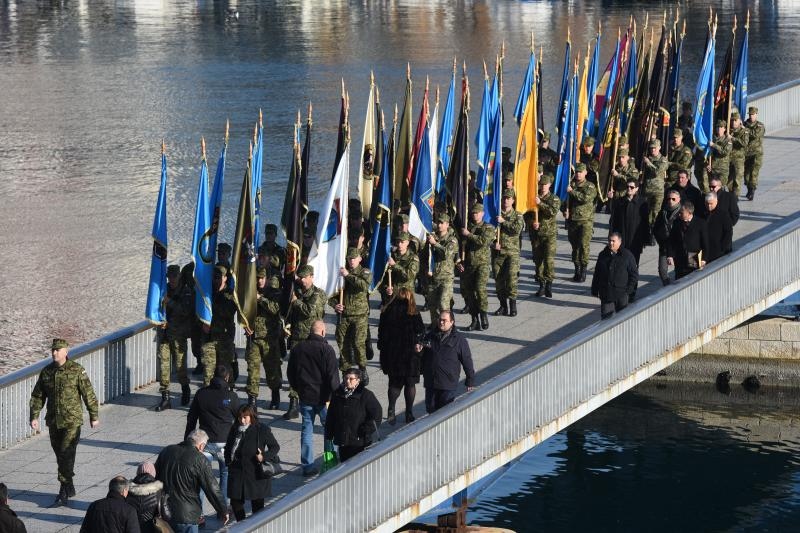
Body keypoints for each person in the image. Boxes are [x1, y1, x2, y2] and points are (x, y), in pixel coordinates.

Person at [30, 338, 99, 506]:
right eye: (53, 350)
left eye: (58, 350)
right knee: (60, 455)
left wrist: (93, 415)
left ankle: (63, 490)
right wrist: (34, 416)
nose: (54, 353)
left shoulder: (77, 370)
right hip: (54, 421)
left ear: (66, 352)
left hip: (72, 421)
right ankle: (69, 484)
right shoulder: (46, 372)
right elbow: (38, 395)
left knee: (66, 453)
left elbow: (88, 393)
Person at [286, 320, 340, 476]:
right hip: (324, 399)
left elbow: (291, 373)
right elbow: (332, 377)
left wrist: (299, 389)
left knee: (306, 430)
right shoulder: (327, 350)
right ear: (323, 332)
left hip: (305, 397)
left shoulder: (298, 349)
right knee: (329, 430)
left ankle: (307, 466)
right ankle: (330, 462)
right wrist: (336, 396)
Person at [185, 364, 239, 505]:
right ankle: (223, 508)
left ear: (213, 376)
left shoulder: (201, 394)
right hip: (225, 443)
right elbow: (240, 418)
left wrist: (187, 440)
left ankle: (199, 512)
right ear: (227, 377)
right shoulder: (231, 396)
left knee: (202, 477)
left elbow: (191, 418)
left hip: (204, 443)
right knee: (225, 474)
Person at [155, 430, 229, 533]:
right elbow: (212, 487)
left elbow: (155, 477)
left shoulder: (167, 451)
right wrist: (223, 510)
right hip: (187, 515)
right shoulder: (200, 459)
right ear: (201, 446)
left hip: (164, 510)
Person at [283, 264, 327, 420]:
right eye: (299, 277)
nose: (301, 280)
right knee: (295, 370)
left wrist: (296, 301)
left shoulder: (318, 294)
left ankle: (322, 400)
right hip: (297, 338)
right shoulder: (296, 291)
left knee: (316, 371)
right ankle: (293, 403)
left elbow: (309, 311)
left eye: (304, 277)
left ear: (311, 277)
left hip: (313, 338)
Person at [378, 286, 426, 424]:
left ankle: (391, 408)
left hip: (393, 354)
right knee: (410, 385)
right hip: (410, 355)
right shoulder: (413, 312)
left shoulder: (386, 311)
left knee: (394, 384)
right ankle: (409, 412)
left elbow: (381, 334)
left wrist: (383, 351)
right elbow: (420, 331)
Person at [224, 405, 280, 522]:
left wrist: (263, 457)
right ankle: (242, 525)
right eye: (240, 417)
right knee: (235, 502)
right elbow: (229, 447)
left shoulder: (261, 429)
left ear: (251, 416)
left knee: (257, 509)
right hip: (237, 473)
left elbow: (275, 447)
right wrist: (228, 462)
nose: (242, 420)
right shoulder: (235, 428)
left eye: (245, 417)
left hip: (255, 474)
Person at [417, 311, 476, 414]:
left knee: (445, 413)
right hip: (431, 382)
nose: (441, 322)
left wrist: (470, 380)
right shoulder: (430, 336)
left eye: (444, 320)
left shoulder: (459, 340)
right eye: (440, 320)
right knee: (430, 410)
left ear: (452, 322)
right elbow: (422, 356)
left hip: (447, 384)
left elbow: (467, 360)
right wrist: (419, 350)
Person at [325, 367, 383, 462]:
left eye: (351, 379)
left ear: (358, 380)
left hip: (360, 442)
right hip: (343, 440)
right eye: (346, 378)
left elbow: (377, 414)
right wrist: (329, 434)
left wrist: (366, 429)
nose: (348, 381)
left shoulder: (366, 395)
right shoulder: (337, 394)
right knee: (344, 466)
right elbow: (331, 416)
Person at [157, 264, 193, 411]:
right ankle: (165, 397)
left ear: (179, 276)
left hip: (179, 335)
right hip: (164, 335)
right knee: (163, 366)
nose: (172, 280)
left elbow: (185, 311)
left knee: (180, 367)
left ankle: (185, 389)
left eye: (174, 277)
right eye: (170, 277)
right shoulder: (162, 290)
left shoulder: (186, 292)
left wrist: (169, 302)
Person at [330, 248, 372, 375]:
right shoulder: (340, 274)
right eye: (349, 258)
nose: (351, 261)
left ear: (360, 258)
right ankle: (346, 370)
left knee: (358, 343)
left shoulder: (364, 271)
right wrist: (335, 305)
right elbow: (331, 294)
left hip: (360, 315)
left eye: (354, 258)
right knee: (343, 343)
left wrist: (348, 275)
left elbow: (363, 286)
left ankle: (362, 369)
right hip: (344, 315)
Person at [246, 269, 283, 411]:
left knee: (272, 368)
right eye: (257, 278)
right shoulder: (249, 291)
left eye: (262, 278)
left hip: (270, 337)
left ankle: (275, 395)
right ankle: (252, 399)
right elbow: (243, 310)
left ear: (267, 278)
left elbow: (275, 309)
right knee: (252, 369)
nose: (259, 281)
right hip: (253, 336)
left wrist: (260, 298)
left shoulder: (274, 292)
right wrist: (245, 325)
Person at [201, 264, 239, 387]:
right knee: (208, 371)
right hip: (209, 338)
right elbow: (199, 311)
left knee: (225, 370)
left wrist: (212, 305)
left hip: (224, 338)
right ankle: (208, 396)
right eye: (214, 277)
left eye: (218, 277)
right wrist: (203, 322)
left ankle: (228, 394)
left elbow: (228, 312)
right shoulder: (207, 293)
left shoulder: (230, 295)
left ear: (225, 278)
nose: (215, 280)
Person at [459, 203, 493, 330]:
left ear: (482, 214)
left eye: (477, 213)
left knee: (480, 288)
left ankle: (483, 315)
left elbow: (483, 242)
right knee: (469, 293)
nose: (475, 215)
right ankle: (474, 319)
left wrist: (468, 235)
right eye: (473, 213)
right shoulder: (467, 227)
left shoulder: (488, 227)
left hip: (482, 264)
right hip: (468, 265)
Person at [591, 232, 639, 320]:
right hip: (606, 295)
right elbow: (597, 273)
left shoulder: (627, 255)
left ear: (620, 242)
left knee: (622, 321)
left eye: (613, 241)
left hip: (621, 295)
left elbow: (634, 275)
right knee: (606, 321)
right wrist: (594, 289)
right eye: (609, 240)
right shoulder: (602, 255)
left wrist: (628, 290)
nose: (611, 243)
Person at [492, 189, 524, 316]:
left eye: (509, 198)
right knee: (498, 280)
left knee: (511, 279)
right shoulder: (495, 215)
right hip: (498, 253)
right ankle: (503, 306)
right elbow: (488, 232)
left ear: (513, 201)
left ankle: (513, 306)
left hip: (512, 253)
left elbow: (516, 230)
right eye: (504, 198)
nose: (506, 200)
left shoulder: (518, 215)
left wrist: (503, 222)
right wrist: (493, 243)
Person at [528, 173, 560, 298]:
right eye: (541, 184)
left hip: (549, 235)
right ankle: (541, 284)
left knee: (549, 260)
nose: (543, 187)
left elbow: (552, 212)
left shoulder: (554, 199)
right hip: (536, 235)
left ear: (550, 185)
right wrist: (532, 223)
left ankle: (549, 285)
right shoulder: (533, 197)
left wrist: (540, 203)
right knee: (538, 261)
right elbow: (527, 215)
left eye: (545, 184)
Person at [426, 212, 459, 324]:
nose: (439, 225)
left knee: (443, 304)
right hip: (433, 277)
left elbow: (447, 254)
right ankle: (435, 327)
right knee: (432, 306)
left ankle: (448, 326)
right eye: (438, 222)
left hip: (446, 278)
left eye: (442, 223)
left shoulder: (452, 240)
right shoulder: (432, 236)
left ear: (447, 225)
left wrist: (435, 243)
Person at [566, 162, 597, 282]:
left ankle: (583, 270)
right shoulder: (571, 185)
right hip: (573, 221)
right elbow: (566, 201)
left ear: (585, 173)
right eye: (576, 172)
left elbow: (585, 198)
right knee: (575, 247)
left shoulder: (590, 186)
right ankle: (577, 269)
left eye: (580, 172)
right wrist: (565, 210)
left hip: (585, 221)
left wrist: (572, 192)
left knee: (583, 246)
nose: (578, 174)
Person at [609, 178, 649, 268]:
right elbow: (614, 220)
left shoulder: (642, 202)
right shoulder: (620, 201)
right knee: (621, 264)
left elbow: (645, 222)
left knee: (633, 265)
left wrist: (646, 239)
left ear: (637, 188)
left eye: (632, 187)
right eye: (627, 187)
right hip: (622, 238)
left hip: (635, 239)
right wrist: (612, 236)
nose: (629, 189)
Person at [667, 201, 709, 279]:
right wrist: (670, 255)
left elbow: (705, 243)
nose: (679, 215)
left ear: (689, 213)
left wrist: (704, 259)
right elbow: (671, 240)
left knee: (692, 278)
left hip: (693, 256)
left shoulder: (700, 223)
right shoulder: (677, 222)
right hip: (680, 257)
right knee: (679, 278)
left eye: (681, 213)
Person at [653, 190, 683, 286]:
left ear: (679, 200)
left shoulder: (682, 212)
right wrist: (660, 239)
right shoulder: (663, 211)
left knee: (680, 270)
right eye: (669, 198)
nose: (670, 201)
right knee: (662, 270)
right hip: (664, 245)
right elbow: (656, 227)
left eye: (673, 199)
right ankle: (667, 287)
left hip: (678, 246)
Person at [128, 462, 169, 533]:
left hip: (133, 529)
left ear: (138, 472)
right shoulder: (159, 491)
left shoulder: (128, 490)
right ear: (153, 473)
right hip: (152, 529)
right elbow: (167, 516)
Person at [640, 139, 670, 235]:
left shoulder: (663, 160)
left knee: (655, 213)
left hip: (658, 191)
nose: (653, 150)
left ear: (659, 148)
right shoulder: (646, 157)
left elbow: (657, 172)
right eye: (651, 148)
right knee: (645, 212)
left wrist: (648, 163)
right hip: (646, 191)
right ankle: (645, 232)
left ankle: (653, 233)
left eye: (655, 148)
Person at [384, 231, 419, 300]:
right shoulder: (392, 256)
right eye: (398, 242)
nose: (399, 244)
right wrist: (386, 287)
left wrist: (394, 265)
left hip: (406, 294)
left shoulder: (413, 258)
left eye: (402, 242)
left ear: (407, 243)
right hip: (392, 294)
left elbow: (409, 276)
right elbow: (385, 275)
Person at [703, 192, 734, 263]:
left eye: (711, 203)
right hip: (705, 250)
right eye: (707, 203)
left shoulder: (723, 214)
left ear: (716, 202)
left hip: (718, 251)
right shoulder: (702, 214)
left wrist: (723, 248)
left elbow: (728, 232)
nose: (709, 206)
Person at [743, 106, 765, 200]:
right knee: (746, 174)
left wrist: (744, 129)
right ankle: (749, 188)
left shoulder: (759, 125)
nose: (752, 116)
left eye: (753, 114)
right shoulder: (745, 124)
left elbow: (755, 134)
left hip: (756, 153)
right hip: (746, 153)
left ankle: (752, 190)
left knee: (754, 172)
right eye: (750, 114)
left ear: (756, 114)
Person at [728, 111, 750, 198]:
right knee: (729, 179)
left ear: (740, 121)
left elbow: (744, 143)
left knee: (738, 178)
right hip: (729, 158)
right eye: (732, 120)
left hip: (739, 159)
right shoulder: (728, 130)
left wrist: (732, 138)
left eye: (735, 120)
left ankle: (735, 196)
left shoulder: (744, 131)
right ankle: (731, 194)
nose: (733, 122)